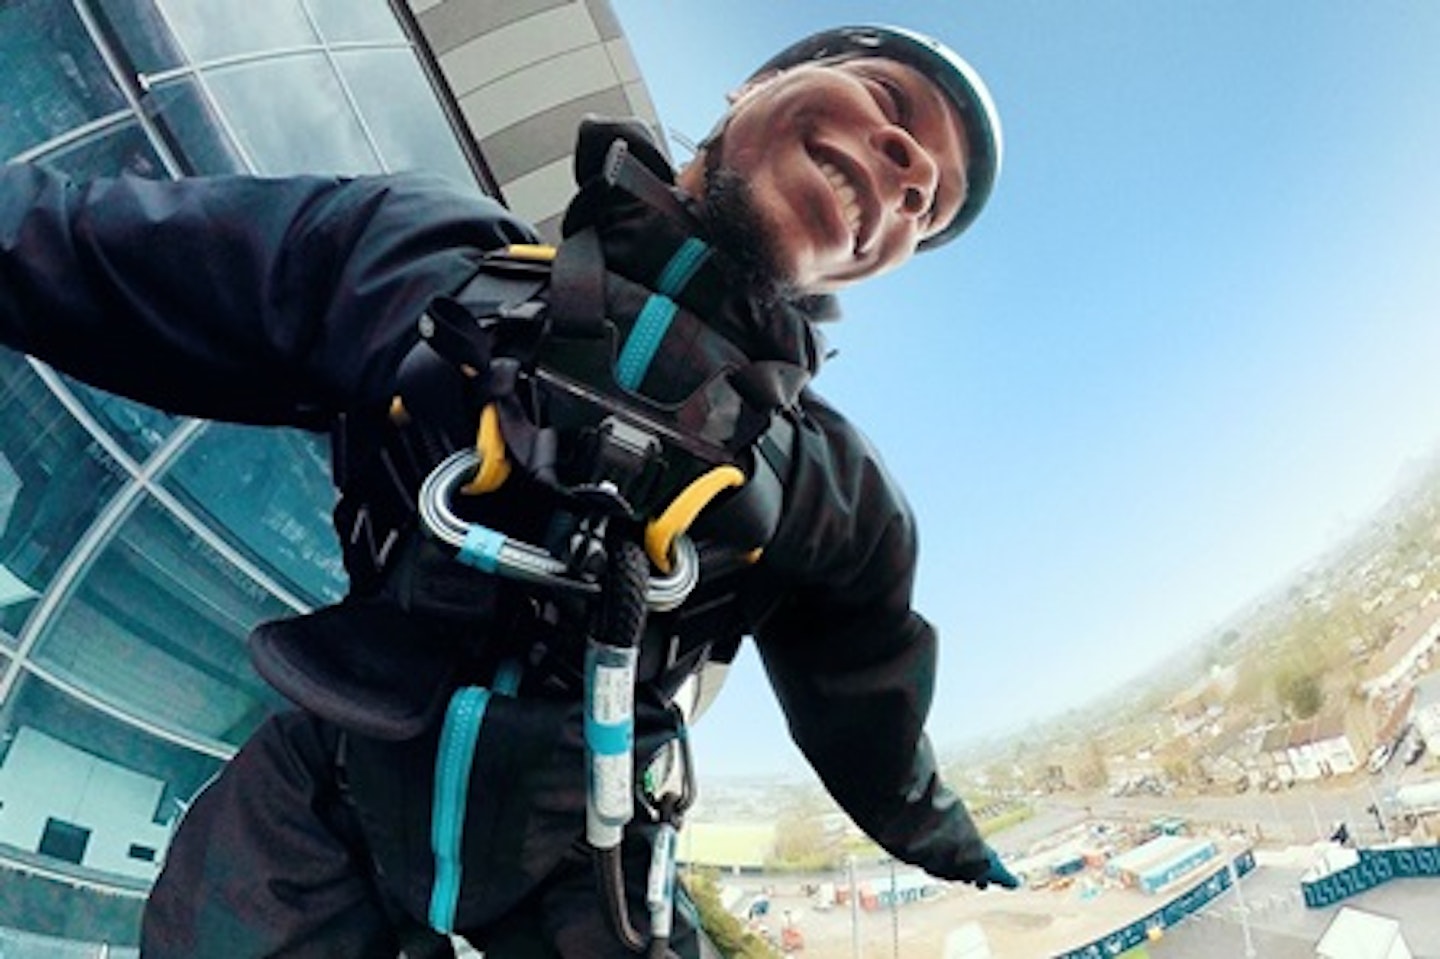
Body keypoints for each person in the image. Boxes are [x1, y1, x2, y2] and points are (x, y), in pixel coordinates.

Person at [0, 23, 1018, 959]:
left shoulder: (833, 498)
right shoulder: (425, 266)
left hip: (593, 864)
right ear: (760, 84)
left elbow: (870, 707)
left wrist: (954, 847)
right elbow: (99, 251)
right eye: (889, 100)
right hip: (324, 801)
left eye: (925, 208)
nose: (912, 172)